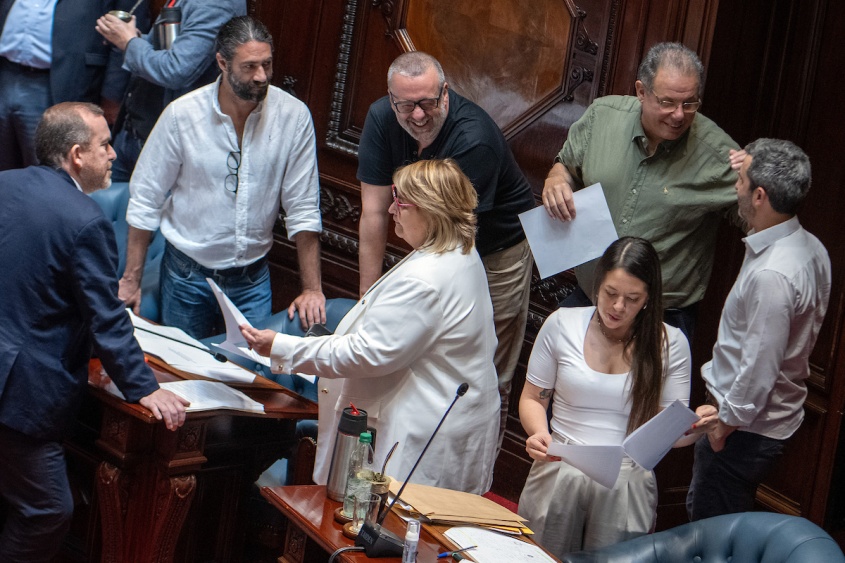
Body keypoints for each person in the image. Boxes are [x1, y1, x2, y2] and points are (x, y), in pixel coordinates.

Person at [241, 159, 500, 495]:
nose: (391, 209)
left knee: (390, 521)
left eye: (400, 201)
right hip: (447, 420)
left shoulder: (426, 278)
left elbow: (367, 353)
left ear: (431, 210)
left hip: (424, 432)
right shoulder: (459, 253)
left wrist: (280, 346)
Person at [0, 102, 188, 561]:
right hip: (20, 393)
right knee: (47, 510)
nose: (113, 154)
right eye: (105, 145)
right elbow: (107, 318)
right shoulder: (84, 221)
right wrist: (145, 387)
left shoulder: (5, 184)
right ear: (77, 154)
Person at [357, 51, 535, 444]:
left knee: (485, 372)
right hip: (430, 241)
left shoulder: (475, 140)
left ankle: (477, 460)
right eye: (407, 106)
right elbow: (374, 212)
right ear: (391, 99)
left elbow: (449, 237)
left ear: (445, 93)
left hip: (495, 250)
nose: (419, 116)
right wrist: (368, 302)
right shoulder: (381, 118)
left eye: (428, 103)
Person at [121, 16, 325, 340]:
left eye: (267, 64)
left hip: (252, 279)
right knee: (183, 364)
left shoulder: (293, 116)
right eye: (249, 67)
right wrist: (130, 280)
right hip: (186, 274)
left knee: (251, 367)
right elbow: (146, 198)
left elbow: (303, 208)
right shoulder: (182, 115)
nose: (261, 76)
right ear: (222, 63)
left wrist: (312, 289)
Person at [542, 42, 743, 341]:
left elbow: (758, 212)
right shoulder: (603, 117)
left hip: (660, 318)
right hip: (589, 299)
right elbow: (567, 167)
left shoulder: (718, 154)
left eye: (690, 103)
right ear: (641, 91)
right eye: (668, 102)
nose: (679, 115)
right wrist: (556, 179)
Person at [516, 237, 692, 557]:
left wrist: (696, 428)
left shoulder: (671, 343)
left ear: (648, 298)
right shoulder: (562, 324)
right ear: (597, 286)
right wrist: (539, 433)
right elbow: (532, 398)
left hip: (627, 477)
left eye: (632, 298)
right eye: (611, 293)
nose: (618, 307)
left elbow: (674, 434)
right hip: (562, 462)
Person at [686, 139, 831, 521]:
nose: (736, 186)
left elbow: (758, 368)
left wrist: (724, 426)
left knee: (712, 535)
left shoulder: (772, 275)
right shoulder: (811, 246)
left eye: (742, 180)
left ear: (760, 195)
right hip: (764, 423)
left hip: (742, 432)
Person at [96, 0, 247, 181]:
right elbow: (168, 48)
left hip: (165, 144)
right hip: (136, 131)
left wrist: (129, 43)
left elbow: (175, 70)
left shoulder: (214, 5)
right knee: (101, 195)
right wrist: (131, 38)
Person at [0, 0, 147, 171]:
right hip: (6, 73)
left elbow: (125, 33)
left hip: (63, 82)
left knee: (49, 171)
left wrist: (112, 96)